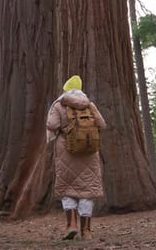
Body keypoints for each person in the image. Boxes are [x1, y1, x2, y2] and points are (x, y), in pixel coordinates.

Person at [46, 75, 107, 240]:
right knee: (87, 192)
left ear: (65, 90)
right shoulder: (89, 105)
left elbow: (51, 125)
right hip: (89, 152)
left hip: (66, 151)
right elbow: (102, 125)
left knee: (67, 190)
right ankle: (86, 231)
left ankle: (71, 225)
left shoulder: (59, 104)